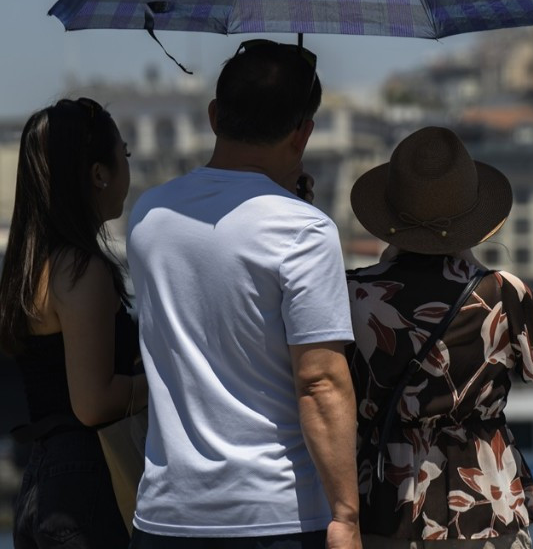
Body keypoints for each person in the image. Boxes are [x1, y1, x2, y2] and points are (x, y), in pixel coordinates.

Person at [126, 40, 362, 549]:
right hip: (274, 516)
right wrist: (345, 515)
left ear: (214, 115)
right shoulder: (303, 231)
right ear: (303, 134)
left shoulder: (148, 215)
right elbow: (319, 381)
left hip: (165, 516)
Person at [346, 126, 533, 549]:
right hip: (484, 494)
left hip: (382, 496)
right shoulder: (503, 292)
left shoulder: (351, 293)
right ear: (471, 223)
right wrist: (469, 258)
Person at [0, 97, 148, 549]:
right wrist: (166, 382)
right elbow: (93, 403)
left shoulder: (29, 266)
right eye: (125, 155)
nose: (127, 168)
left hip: (41, 479)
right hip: (87, 479)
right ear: (99, 173)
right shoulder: (82, 270)